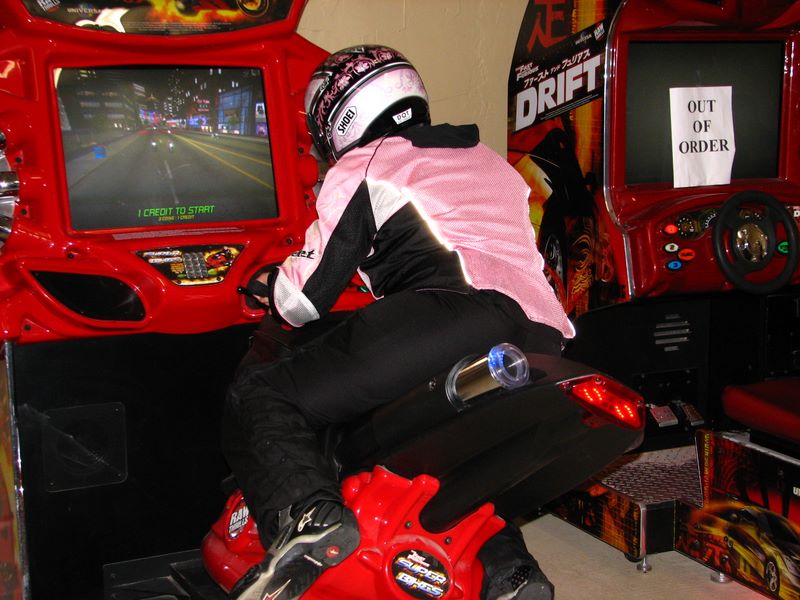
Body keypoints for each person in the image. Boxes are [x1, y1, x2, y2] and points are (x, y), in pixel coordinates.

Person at [222, 45, 574, 600]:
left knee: (264, 394)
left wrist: (271, 284)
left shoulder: (365, 163)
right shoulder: (485, 158)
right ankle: (510, 575)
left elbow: (303, 300)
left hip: (454, 314)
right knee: (435, 453)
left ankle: (307, 519)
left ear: (339, 115)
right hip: (544, 336)